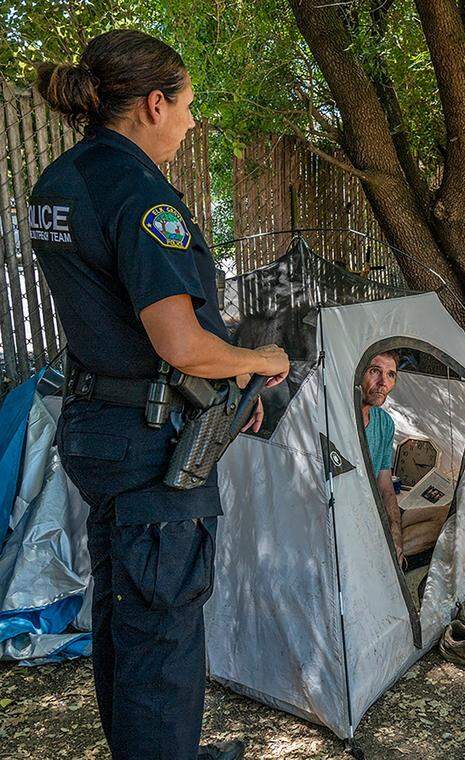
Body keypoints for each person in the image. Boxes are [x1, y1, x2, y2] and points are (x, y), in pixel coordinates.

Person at [30, 30, 290, 760]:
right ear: (153, 103)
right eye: (187, 107)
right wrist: (256, 358)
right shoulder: (141, 194)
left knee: (126, 617)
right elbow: (178, 342)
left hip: (99, 427)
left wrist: (218, 391)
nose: (190, 123)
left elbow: (113, 321)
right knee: (164, 633)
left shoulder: (62, 180)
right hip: (152, 447)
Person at [361, 350, 403, 564]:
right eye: (374, 371)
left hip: (374, 512)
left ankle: (392, 555)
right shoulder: (336, 418)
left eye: (390, 375)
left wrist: (396, 534)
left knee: (441, 518)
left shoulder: (385, 423)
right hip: (355, 519)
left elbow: (385, 486)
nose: (382, 383)